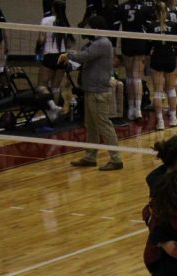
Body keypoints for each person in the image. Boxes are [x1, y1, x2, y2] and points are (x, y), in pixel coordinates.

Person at [60, 15, 123, 170]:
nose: (84, 30)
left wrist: (68, 54)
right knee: (91, 126)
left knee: (104, 125)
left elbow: (83, 57)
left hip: (99, 92)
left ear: (95, 28)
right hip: (90, 90)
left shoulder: (102, 43)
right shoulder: (95, 43)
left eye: (86, 27)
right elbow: (84, 56)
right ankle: (90, 157)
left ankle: (116, 160)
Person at [35, 0, 74, 121]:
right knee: (56, 87)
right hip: (62, 56)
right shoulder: (65, 22)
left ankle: (52, 107)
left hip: (49, 55)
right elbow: (69, 43)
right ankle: (54, 114)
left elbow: (41, 40)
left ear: (53, 9)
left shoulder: (46, 20)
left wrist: (37, 50)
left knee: (41, 86)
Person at [143, 0, 177, 130]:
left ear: (155, 12)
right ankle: (174, 118)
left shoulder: (151, 26)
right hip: (169, 57)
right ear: (166, 12)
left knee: (158, 92)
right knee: (171, 89)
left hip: (157, 58)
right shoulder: (173, 25)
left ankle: (160, 121)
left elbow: (147, 46)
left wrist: (147, 55)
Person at [120, 1, 149, 120]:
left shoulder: (122, 7)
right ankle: (138, 109)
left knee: (129, 76)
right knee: (137, 77)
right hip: (139, 41)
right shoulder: (145, 8)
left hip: (127, 41)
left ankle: (131, 108)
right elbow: (149, 27)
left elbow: (117, 25)